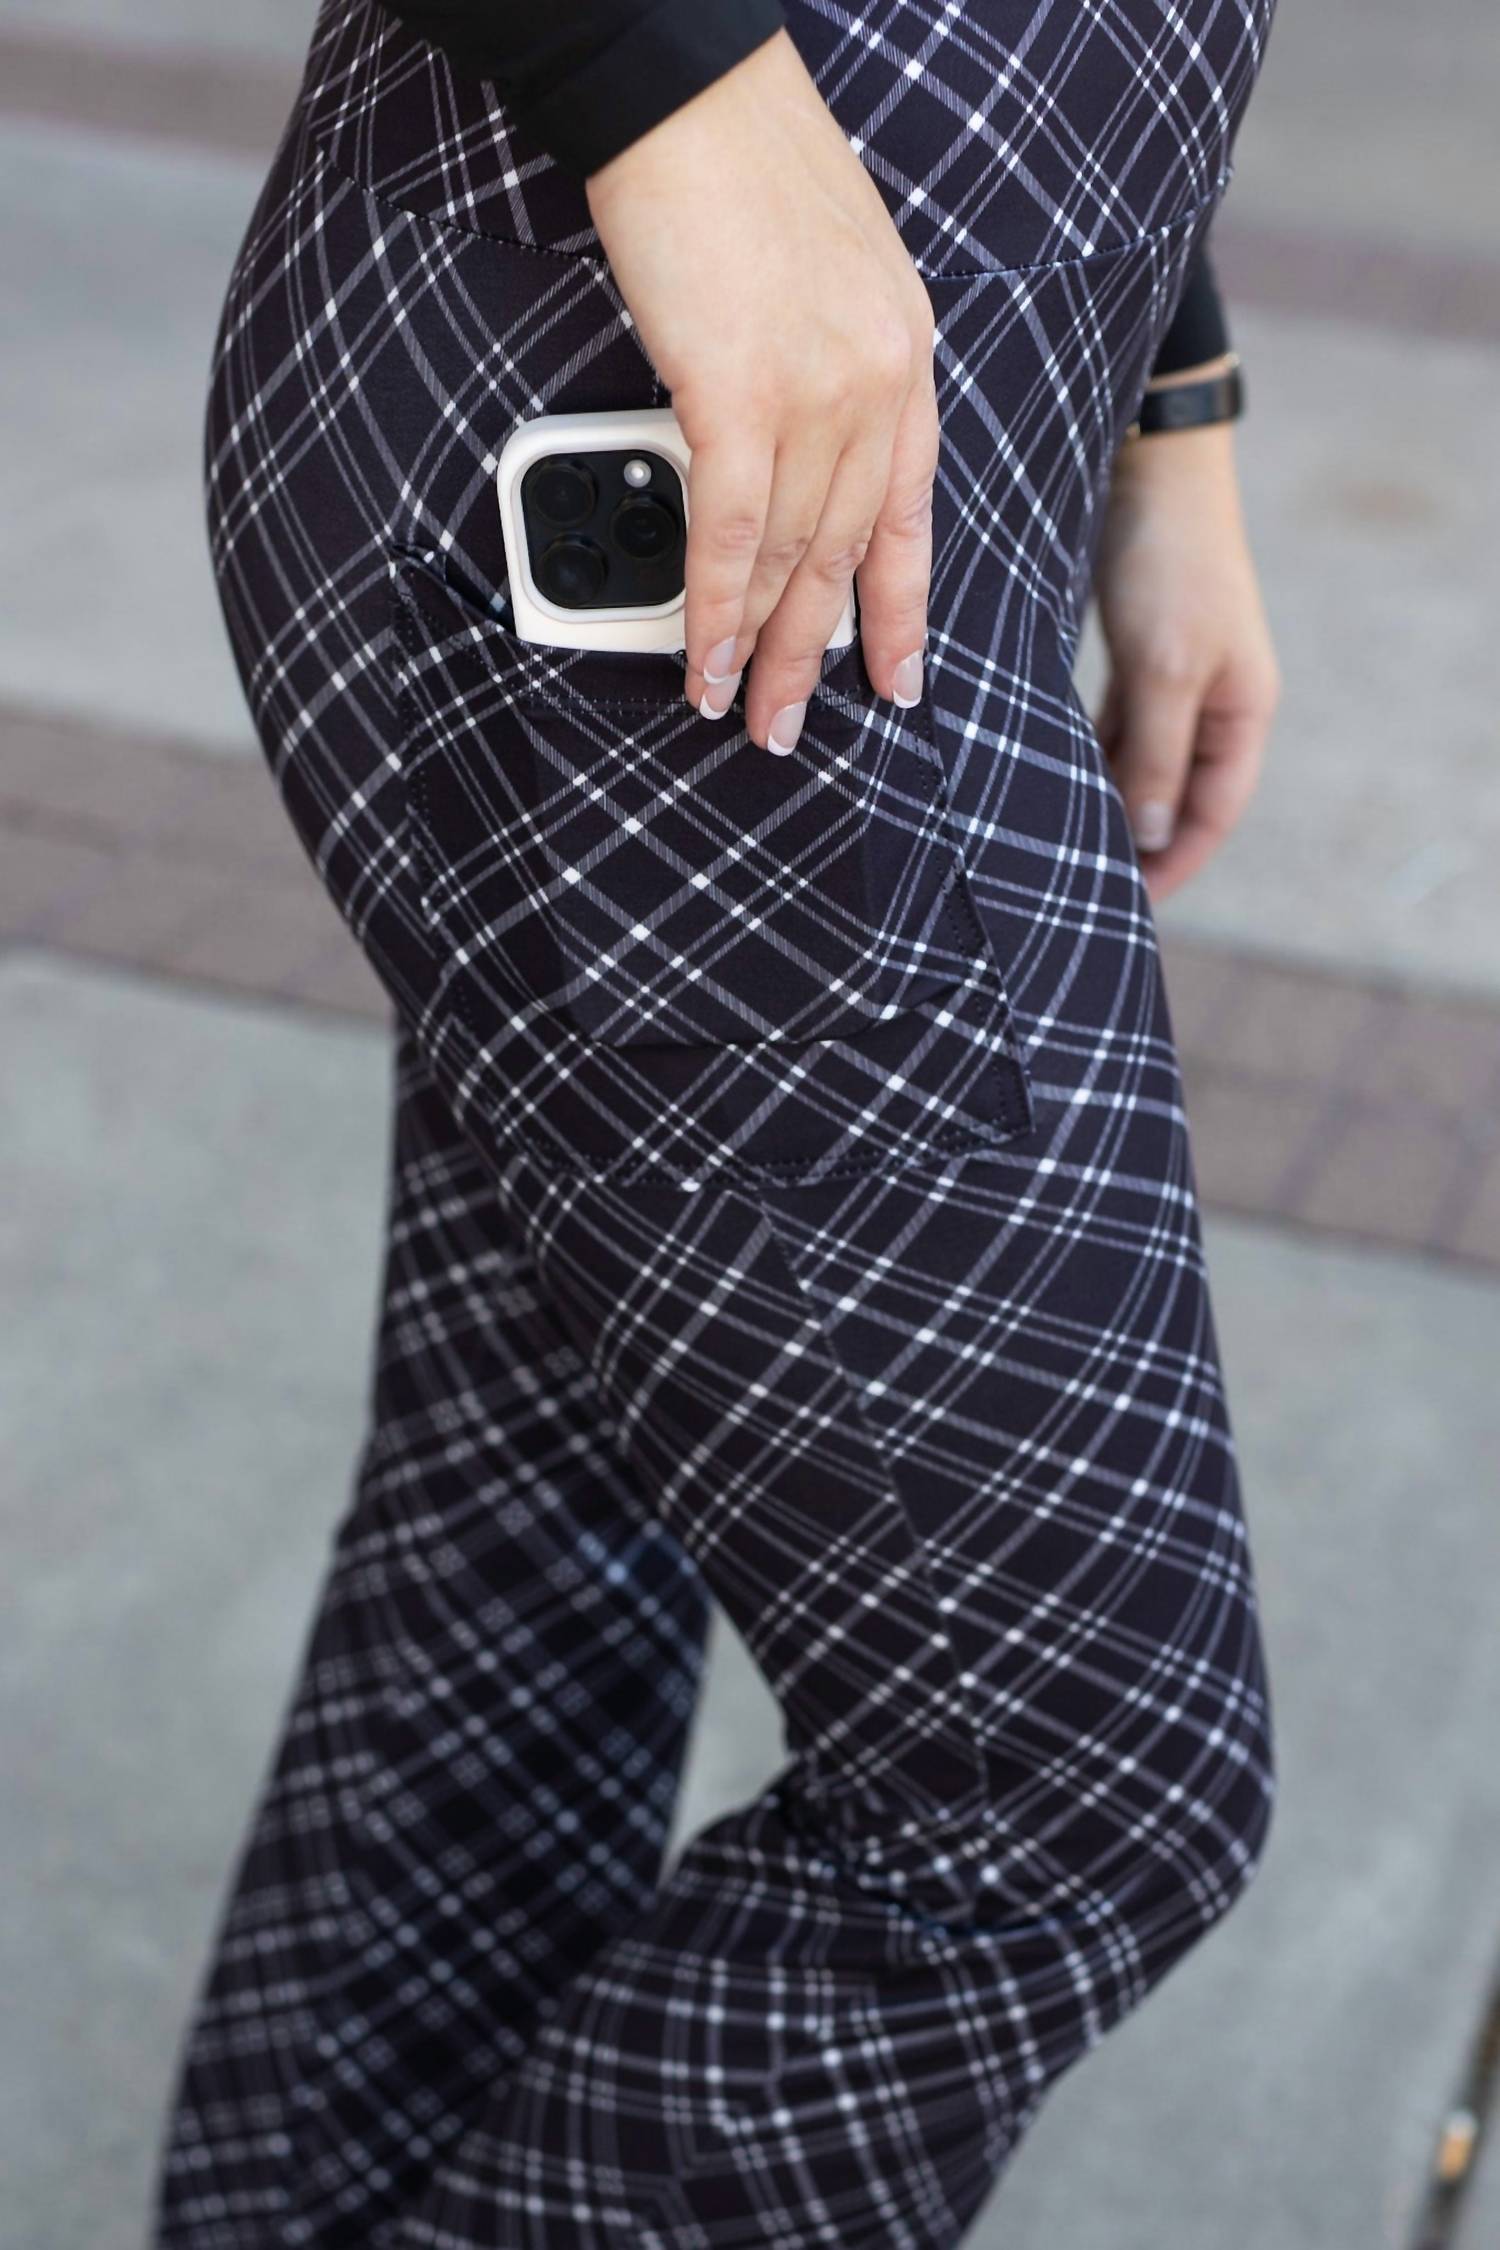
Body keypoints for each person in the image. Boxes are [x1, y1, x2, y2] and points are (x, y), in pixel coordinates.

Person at [151, 0, 1282, 2243]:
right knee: (1069, 1788)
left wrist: (1171, 400)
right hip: (679, 405)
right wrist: (665, 85)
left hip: (857, 384)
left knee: (528, 1552)